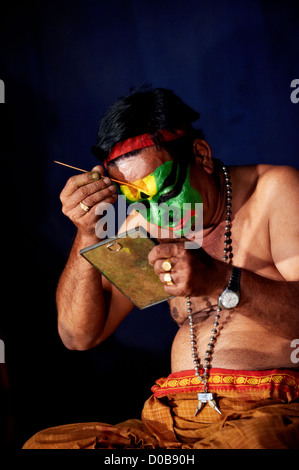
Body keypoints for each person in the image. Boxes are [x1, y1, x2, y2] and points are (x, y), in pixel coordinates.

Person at [23, 87, 299, 449]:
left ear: (201, 155)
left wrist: (221, 279)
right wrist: (87, 233)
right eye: (136, 199)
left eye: (165, 191)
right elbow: (79, 336)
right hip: (171, 421)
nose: (155, 213)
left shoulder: (274, 191)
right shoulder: (147, 223)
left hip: (268, 409)